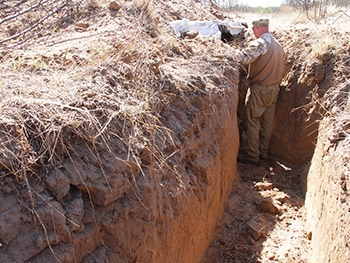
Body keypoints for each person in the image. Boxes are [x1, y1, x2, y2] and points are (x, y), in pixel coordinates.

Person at [234, 18, 285, 165]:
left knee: (252, 121)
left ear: (257, 28)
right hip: (274, 89)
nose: (252, 32)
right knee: (267, 122)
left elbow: (244, 57)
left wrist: (226, 52)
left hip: (260, 89)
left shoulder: (262, 42)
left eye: (253, 29)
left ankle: (252, 155)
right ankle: (263, 152)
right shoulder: (278, 45)